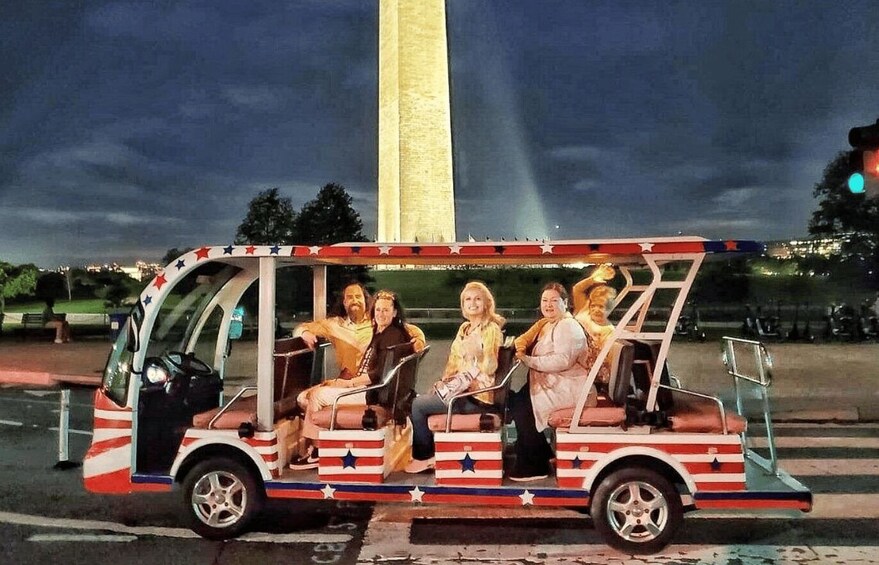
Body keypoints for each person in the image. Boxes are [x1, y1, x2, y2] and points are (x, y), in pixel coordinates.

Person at [290, 290, 421, 470]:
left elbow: (378, 375)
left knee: (316, 396)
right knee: (307, 396)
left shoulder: (391, 336)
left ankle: (317, 451)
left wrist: (348, 383)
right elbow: (303, 327)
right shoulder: (382, 331)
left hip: (372, 393)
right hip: (372, 387)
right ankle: (325, 444)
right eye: (378, 310)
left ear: (395, 312)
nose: (381, 314)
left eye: (386, 310)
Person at [404, 281, 505, 474]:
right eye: (468, 299)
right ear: (463, 304)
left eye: (478, 299)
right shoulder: (464, 328)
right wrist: (444, 382)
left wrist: (478, 354)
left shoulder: (491, 329)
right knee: (419, 400)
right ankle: (433, 453)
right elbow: (453, 363)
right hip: (459, 390)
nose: (472, 303)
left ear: (486, 303)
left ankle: (424, 458)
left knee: (417, 406)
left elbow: (490, 367)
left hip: (477, 396)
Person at [509, 283, 588, 481]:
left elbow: (563, 360)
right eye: (545, 300)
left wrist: (529, 360)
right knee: (516, 400)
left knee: (522, 408)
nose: (548, 305)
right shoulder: (550, 324)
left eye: (554, 300)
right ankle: (541, 452)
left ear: (565, 303)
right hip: (555, 382)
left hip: (568, 386)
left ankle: (535, 465)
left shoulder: (567, 325)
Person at [294, 281, 425, 378]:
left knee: (314, 398)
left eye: (358, 296)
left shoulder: (377, 320)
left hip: (370, 381)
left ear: (365, 300)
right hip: (346, 380)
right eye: (350, 297)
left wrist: (419, 342)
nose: (354, 300)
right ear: (344, 302)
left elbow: (413, 330)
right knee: (306, 397)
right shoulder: (334, 324)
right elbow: (300, 328)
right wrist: (305, 333)